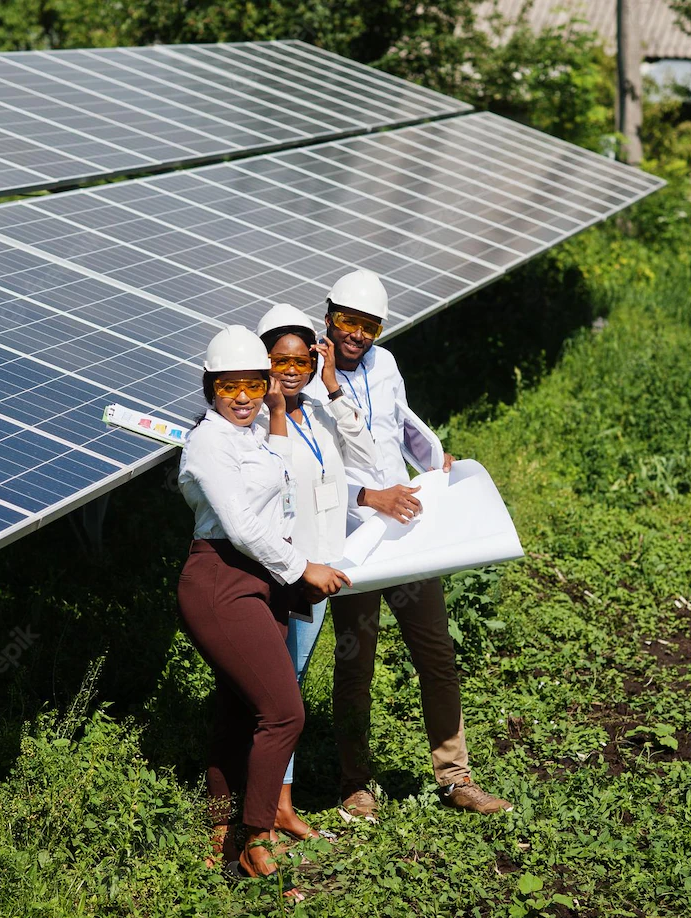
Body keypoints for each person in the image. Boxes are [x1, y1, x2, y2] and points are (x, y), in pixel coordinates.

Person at [307, 269, 514, 820]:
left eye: (369, 325)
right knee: (356, 663)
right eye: (348, 321)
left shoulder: (386, 364)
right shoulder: (306, 377)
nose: (357, 334)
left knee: (436, 653)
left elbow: (402, 423)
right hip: (352, 540)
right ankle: (356, 784)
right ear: (329, 315)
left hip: (407, 532)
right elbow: (309, 471)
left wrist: (434, 462)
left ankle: (456, 778)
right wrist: (370, 496)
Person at [175, 325, 350, 899]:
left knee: (238, 711)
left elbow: (277, 468)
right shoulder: (209, 443)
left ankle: (219, 835)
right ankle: (256, 839)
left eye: (255, 383)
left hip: (259, 582)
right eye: (231, 386)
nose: (244, 396)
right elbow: (245, 526)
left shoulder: (251, 435)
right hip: (221, 581)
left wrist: (277, 411)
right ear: (210, 387)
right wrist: (303, 569)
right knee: (285, 713)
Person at [253, 303, 377, 842]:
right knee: (279, 695)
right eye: (282, 360)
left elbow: (367, 457)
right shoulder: (253, 421)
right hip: (286, 572)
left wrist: (334, 388)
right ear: (262, 362)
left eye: (304, 358)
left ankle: (278, 803)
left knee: (291, 688)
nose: (293, 369)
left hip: (323, 569)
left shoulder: (322, 410)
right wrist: (275, 408)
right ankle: (267, 808)